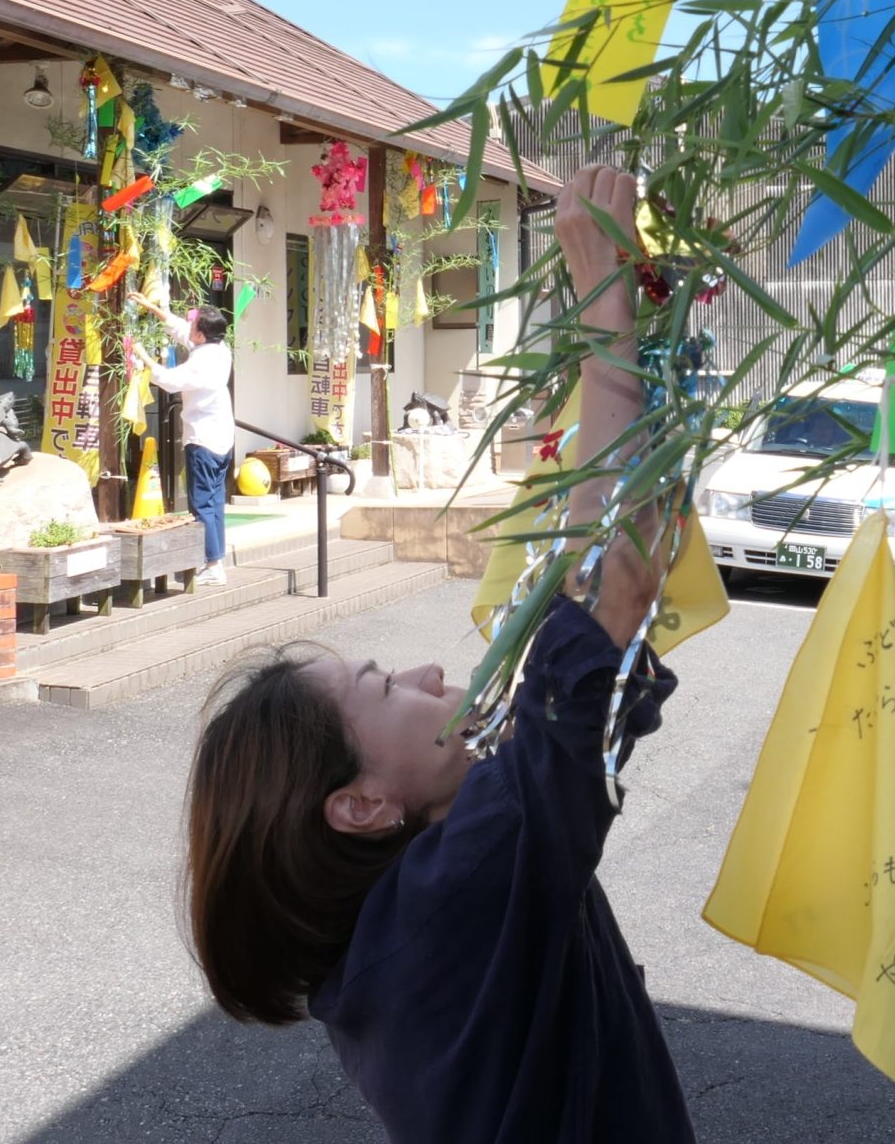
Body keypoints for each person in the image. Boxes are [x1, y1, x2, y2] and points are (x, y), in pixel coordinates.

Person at [180, 163, 692, 1142]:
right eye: (382, 686)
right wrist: (601, 289)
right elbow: (613, 581)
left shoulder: (417, 905)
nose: (423, 673)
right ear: (361, 803)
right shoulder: (455, 896)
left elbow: (610, 612)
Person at [126, 295, 234, 587]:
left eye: (194, 325)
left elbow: (168, 380)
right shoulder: (219, 349)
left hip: (204, 438)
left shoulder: (201, 362)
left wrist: (142, 355)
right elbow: (180, 330)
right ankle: (216, 559)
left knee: (202, 503)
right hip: (222, 437)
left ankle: (212, 564)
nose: (189, 328)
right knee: (214, 502)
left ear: (202, 333)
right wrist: (152, 309)